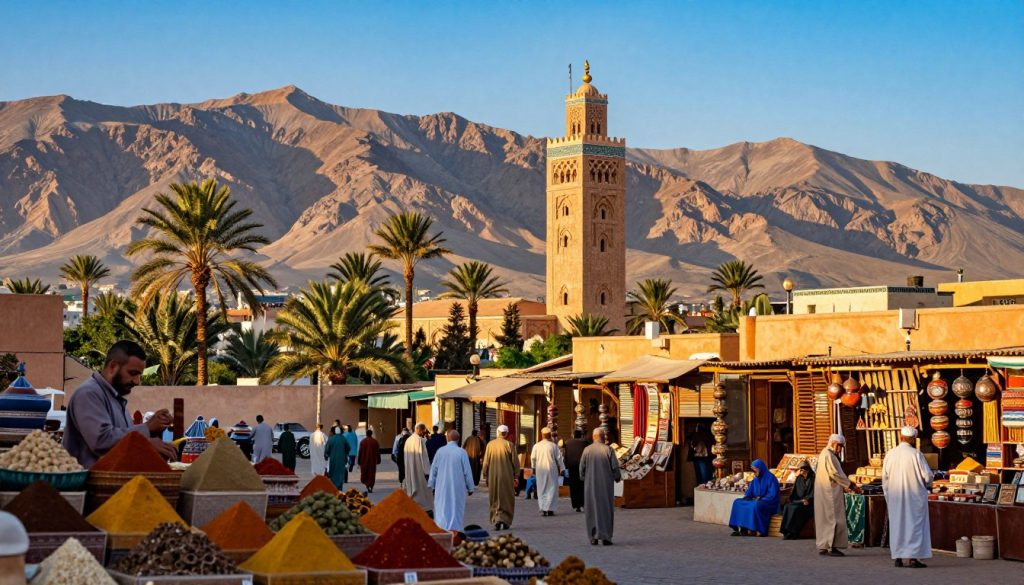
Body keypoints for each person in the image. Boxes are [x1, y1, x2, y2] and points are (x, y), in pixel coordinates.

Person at [64, 340, 177, 467]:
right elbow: (101, 440)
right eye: (133, 373)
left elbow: (123, 445)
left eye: (139, 375)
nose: (137, 381)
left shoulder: (116, 398)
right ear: (113, 367)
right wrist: (147, 432)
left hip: (113, 482)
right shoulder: (88, 394)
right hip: (87, 484)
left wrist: (155, 432)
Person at [883, 426, 934, 569]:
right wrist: (928, 484)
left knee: (898, 526)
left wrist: (888, 495)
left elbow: (884, 479)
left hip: (895, 498)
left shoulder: (890, 454)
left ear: (900, 437)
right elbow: (928, 476)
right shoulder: (916, 454)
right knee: (914, 526)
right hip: (914, 498)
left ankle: (898, 557)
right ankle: (912, 558)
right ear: (913, 440)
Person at [815, 434, 862, 557]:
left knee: (825, 519)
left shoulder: (825, 454)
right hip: (830, 492)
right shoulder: (828, 455)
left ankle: (824, 545)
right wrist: (851, 486)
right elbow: (835, 474)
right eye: (839, 446)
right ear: (833, 443)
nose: (840, 449)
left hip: (824, 492)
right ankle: (832, 546)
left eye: (842, 447)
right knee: (835, 519)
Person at [428, 430, 475, 534]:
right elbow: (467, 471)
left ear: (447, 439)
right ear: (458, 440)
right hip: (457, 487)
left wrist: (431, 484)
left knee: (442, 506)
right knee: (456, 507)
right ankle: (456, 530)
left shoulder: (440, 451)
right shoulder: (462, 452)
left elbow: (433, 469)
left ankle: (441, 528)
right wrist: (470, 487)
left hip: (442, 486)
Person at [580, 428, 621, 546]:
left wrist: (584, 478)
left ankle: (593, 536)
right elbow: (615, 467)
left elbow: (581, 468)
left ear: (593, 437)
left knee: (591, 509)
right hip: (605, 485)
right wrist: (617, 477)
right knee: (605, 509)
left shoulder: (587, 450)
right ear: (603, 437)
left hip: (590, 485)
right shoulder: (608, 450)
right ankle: (605, 536)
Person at [728, 459, 780, 537]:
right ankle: (743, 529)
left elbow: (772, 495)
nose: (754, 471)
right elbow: (750, 492)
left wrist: (761, 499)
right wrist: (747, 497)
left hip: (768, 503)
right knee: (737, 502)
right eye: (753, 469)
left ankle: (760, 530)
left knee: (756, 505)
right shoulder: (755, 479)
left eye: (755, 469)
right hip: (756, 500)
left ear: (760, 468)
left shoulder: (771, 478)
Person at [481, 424, 518, 530]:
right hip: (507, 476)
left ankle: (496, 519)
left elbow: (486, 462)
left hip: (493, 476)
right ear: (506, 433)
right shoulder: (509, 445)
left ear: (498, 432)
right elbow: (515, 462)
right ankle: (505, 521)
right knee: (506, 498)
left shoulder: (490, 444)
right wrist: (516, 476)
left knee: (494, 497)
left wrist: (484, 474)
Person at [531, 427, 565, 516]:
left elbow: (533, 459)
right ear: (549, 435)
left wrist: (533, 468)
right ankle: (550, 509)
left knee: (542, 489)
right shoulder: (553, 446)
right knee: (552, 489)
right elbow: (559, 458)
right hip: (551, 470)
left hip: (540, 470)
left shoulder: (536, 446)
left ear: (542, 435)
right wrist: (562, 468)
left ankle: (543, 508)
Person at [780, 461, 815, 540]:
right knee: (787, 507)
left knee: (796, 509)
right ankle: (786, 531)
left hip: (809, 503)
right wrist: (796, 499)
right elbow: (795, 492)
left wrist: (807, 499)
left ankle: (793, 532)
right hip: (799, 501)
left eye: (803, 470)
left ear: (807, 470)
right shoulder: (799, 478)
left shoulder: (813, 479)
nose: (801, 472)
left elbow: (814, 492)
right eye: (800, 470)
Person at [404, 423, 433, 514]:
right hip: (420, 470)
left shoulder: (409, 440)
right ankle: (423, 508)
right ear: (420, 430)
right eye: (423, 431)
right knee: (422, 490)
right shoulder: (419, 441)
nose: (424, 433)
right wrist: (428, 472)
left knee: (412, 484)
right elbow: (424, 458)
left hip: (410, 468)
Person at [563, 429, 587, 512]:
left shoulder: (567, 443)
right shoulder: (585, 442)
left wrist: (565, 467)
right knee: (582, 485)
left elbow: (565, 456)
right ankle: (583, 503)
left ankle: (576, 505)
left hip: (572, 467)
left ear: (573, 435)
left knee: (573, 487)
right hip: (583, 467)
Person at [357, 428, 381, 493]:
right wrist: (378, 460)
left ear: (366, 434)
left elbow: (360, 452)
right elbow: (377, 452)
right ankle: (371, 486)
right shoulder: (375, 442)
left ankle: (367, 485)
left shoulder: (363, 442)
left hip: (364, 461)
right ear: (371, 434)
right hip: (372, 461)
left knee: (365, 473)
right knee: (371, 474)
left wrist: (359, 461)